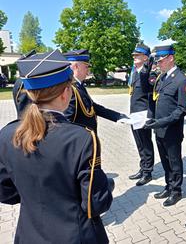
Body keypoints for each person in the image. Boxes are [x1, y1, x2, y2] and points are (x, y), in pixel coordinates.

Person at [0, 49, 113, 243]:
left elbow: (6, 193)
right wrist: (109, 186)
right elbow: (95, 204)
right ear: (66, 92)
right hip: (76, 236)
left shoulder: (7, 134)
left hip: (28, 235)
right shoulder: (82, 138)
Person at [144, 45, 186, 207]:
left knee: (174, 161)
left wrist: (162, 122)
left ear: (171, 58)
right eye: (157, 61)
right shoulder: (162, 78)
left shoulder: (181, 79)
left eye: (161, 60)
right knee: (164, 161)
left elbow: (182, 109)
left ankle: (176, 190)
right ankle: (168, 186)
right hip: (159, 128)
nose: (159, 64)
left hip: (171, 130)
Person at [63, 49, 127, 133]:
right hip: (81, 141)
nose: (88, 72)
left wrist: (117, 116)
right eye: (86, 67)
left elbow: (92, 107)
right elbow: (67, 122)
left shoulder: (79, 85)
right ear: (76, 67)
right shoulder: (70, 89)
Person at [128, 44, 155, 186]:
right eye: (134, 55)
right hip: (134, 113)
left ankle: (147, 172)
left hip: (143, 113)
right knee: (139, 143)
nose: (134, 57)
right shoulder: (135, 72)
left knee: (145, 143)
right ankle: (142, 167)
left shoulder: (147, 73)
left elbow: (148, 91)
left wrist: (147, 67)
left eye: (137, 55)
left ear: (145, 58)